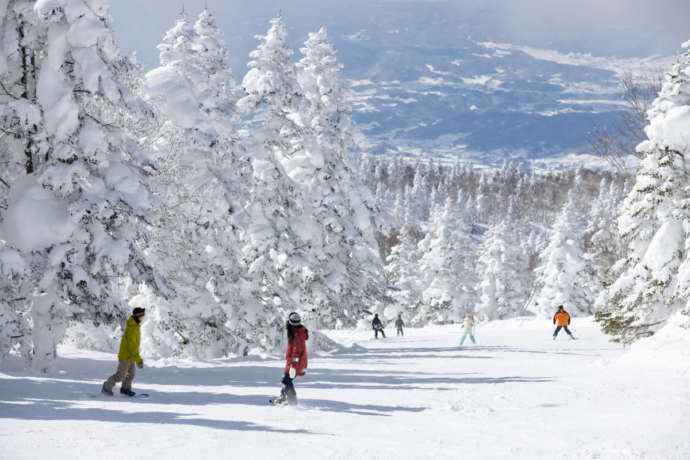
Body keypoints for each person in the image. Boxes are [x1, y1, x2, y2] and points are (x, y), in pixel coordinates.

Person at [102, 307, 146, 396]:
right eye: (142, 315)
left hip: (131, 356)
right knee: (120, 376)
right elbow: (132, 347)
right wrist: (138, 360)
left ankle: (125, 389)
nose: (143, 317)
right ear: (138, 316)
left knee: (131, 374)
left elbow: (134, 346)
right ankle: (107, 386)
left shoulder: (136, 326)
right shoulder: (132, 328)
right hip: (126, 356)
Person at [274, 312, 309, 406]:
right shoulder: (297, 332)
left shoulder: (296, 335)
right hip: (295, 362)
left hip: (295, 364)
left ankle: (293, 402)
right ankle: (283, 397)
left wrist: (293, 366)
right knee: (285, 379)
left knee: (286, 381)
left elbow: (295, 353)